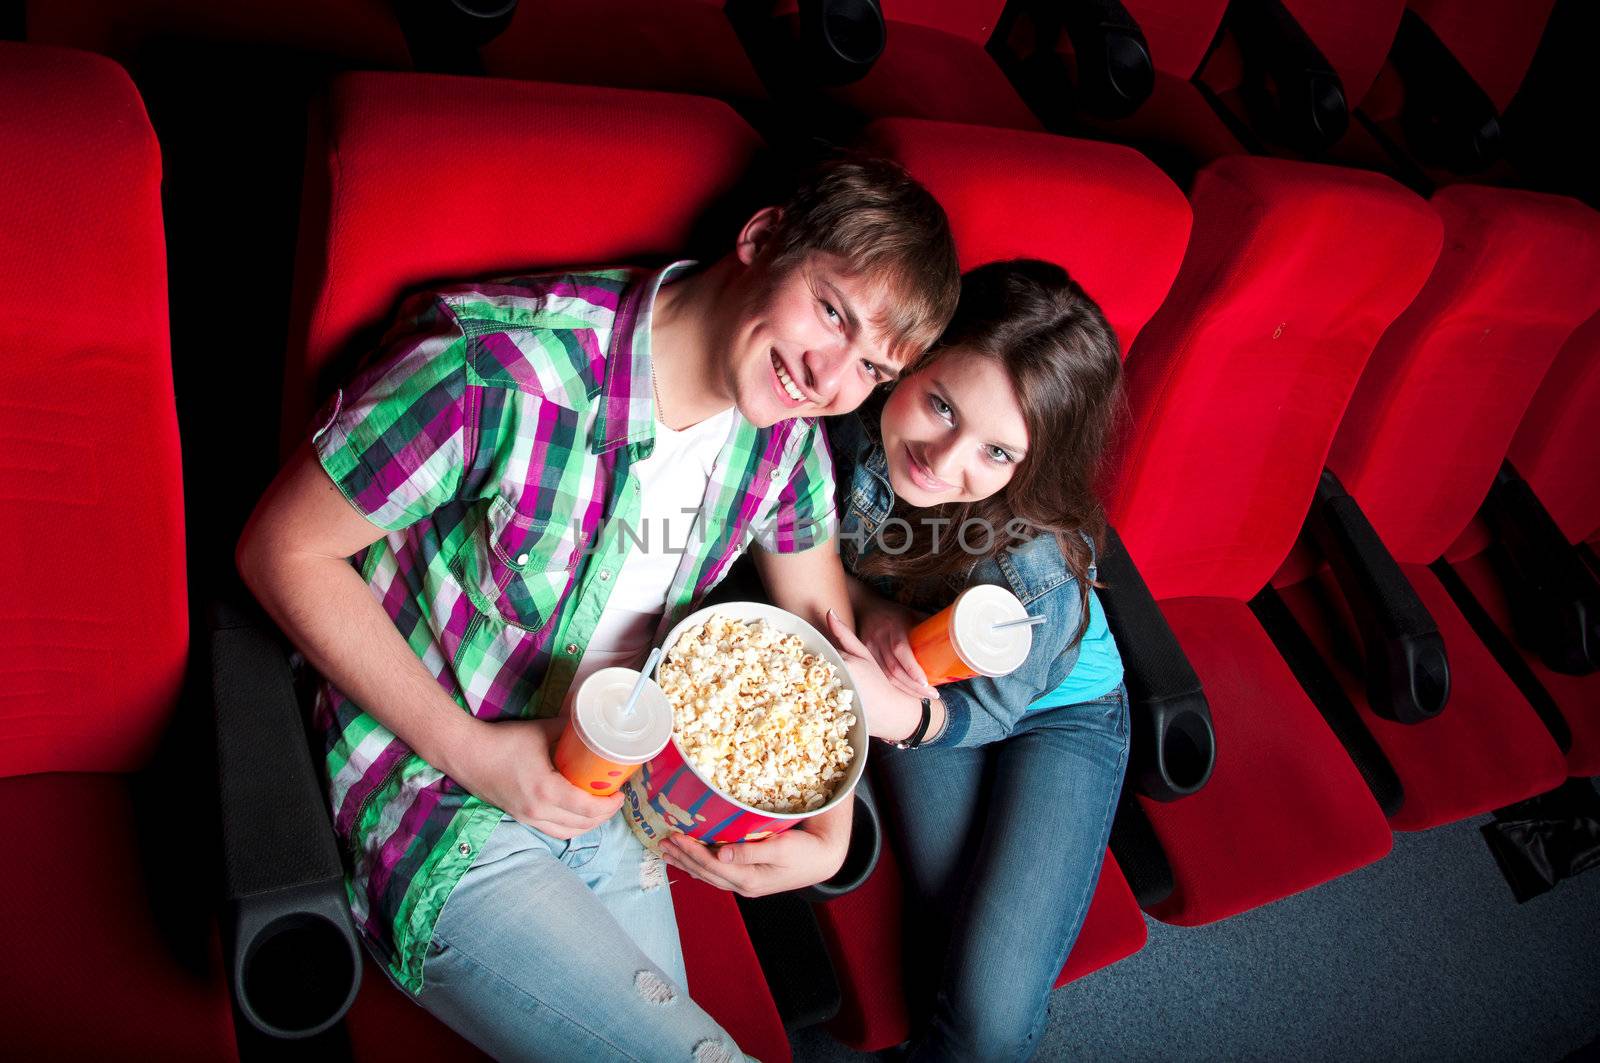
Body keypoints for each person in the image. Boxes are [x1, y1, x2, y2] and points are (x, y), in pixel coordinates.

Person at [235, 156, 959, 1061]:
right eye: (831, 312)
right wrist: (476, 755)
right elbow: (278, 548)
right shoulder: (500, 368)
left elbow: (818, 654)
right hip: (436, 788)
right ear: (762, 239)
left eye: (873, 368)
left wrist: (831, 828)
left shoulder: (783, 445)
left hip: (614, 797)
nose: (828, 378)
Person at [669, 259, 1128, 1061]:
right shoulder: (849, 403)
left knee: (987, 1013)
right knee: (946, 931)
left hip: (1054, 714)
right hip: (911, 657)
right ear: (911, 360)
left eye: (995, 453)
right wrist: (878, 613)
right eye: (941, 404)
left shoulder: (1040, 574)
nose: (943, 461)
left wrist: (884, 706)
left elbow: (975, 709)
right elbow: (774, 543)